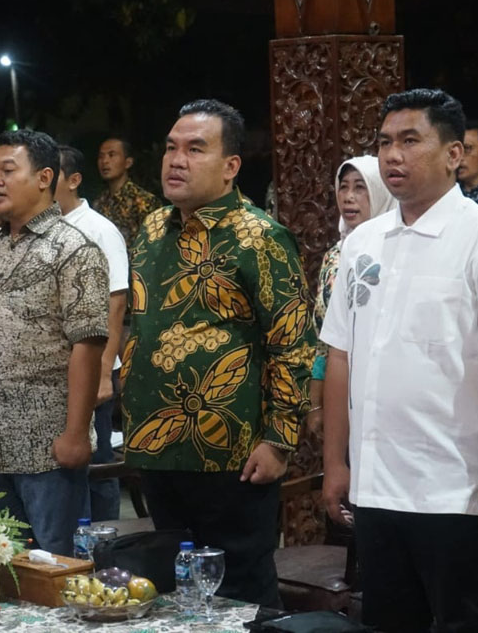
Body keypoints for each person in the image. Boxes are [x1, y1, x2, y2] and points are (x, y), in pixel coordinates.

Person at [321, 89, 478, 632]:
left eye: (410, 141)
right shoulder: (362, 243)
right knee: (387, 623)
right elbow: (340, 356)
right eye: (384, 142)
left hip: (454, 490)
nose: (393, 155)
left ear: (453, 154)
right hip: (376, 487)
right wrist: (336, 464)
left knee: (464, 623)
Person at [122, 99, 314, 607]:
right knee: (172, 591)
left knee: (240, 590)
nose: (176, 160)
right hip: (157, 441)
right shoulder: (151, 229)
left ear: (231, 166)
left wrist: (278, 440)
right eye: (171, 148)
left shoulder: (260, 237)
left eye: (195, 149)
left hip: (231, 449)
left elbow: (293, 343)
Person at [0, 129, 109, 555]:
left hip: (46, 445)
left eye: (7, 171)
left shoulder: (74, 249)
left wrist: (76, 433)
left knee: (57, 564)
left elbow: (87, 346)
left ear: (44, 178)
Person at [56, 144, 128, 520]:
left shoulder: (101, 230)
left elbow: (117, 302)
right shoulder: (43, 229)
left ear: (73, 180)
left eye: (50, 175)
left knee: (97, 464)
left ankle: (104, 542)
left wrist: (103, 373)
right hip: (57, 368)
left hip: (93, 366)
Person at [308, 156, 394, 433]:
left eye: (360, 187)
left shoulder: (395, 255)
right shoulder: (335, 256)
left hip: (386, 390)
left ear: (381, 193)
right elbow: (323, 338)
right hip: (339, 386)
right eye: (343, 187)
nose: (348, 197)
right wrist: (316, 404)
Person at [92, 137, 162, 249]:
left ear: (128, 163)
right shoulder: (99, 202)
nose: (105, 161)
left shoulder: (144, 201)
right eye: (101, 156)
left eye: (111, 155)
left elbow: (155, 246)